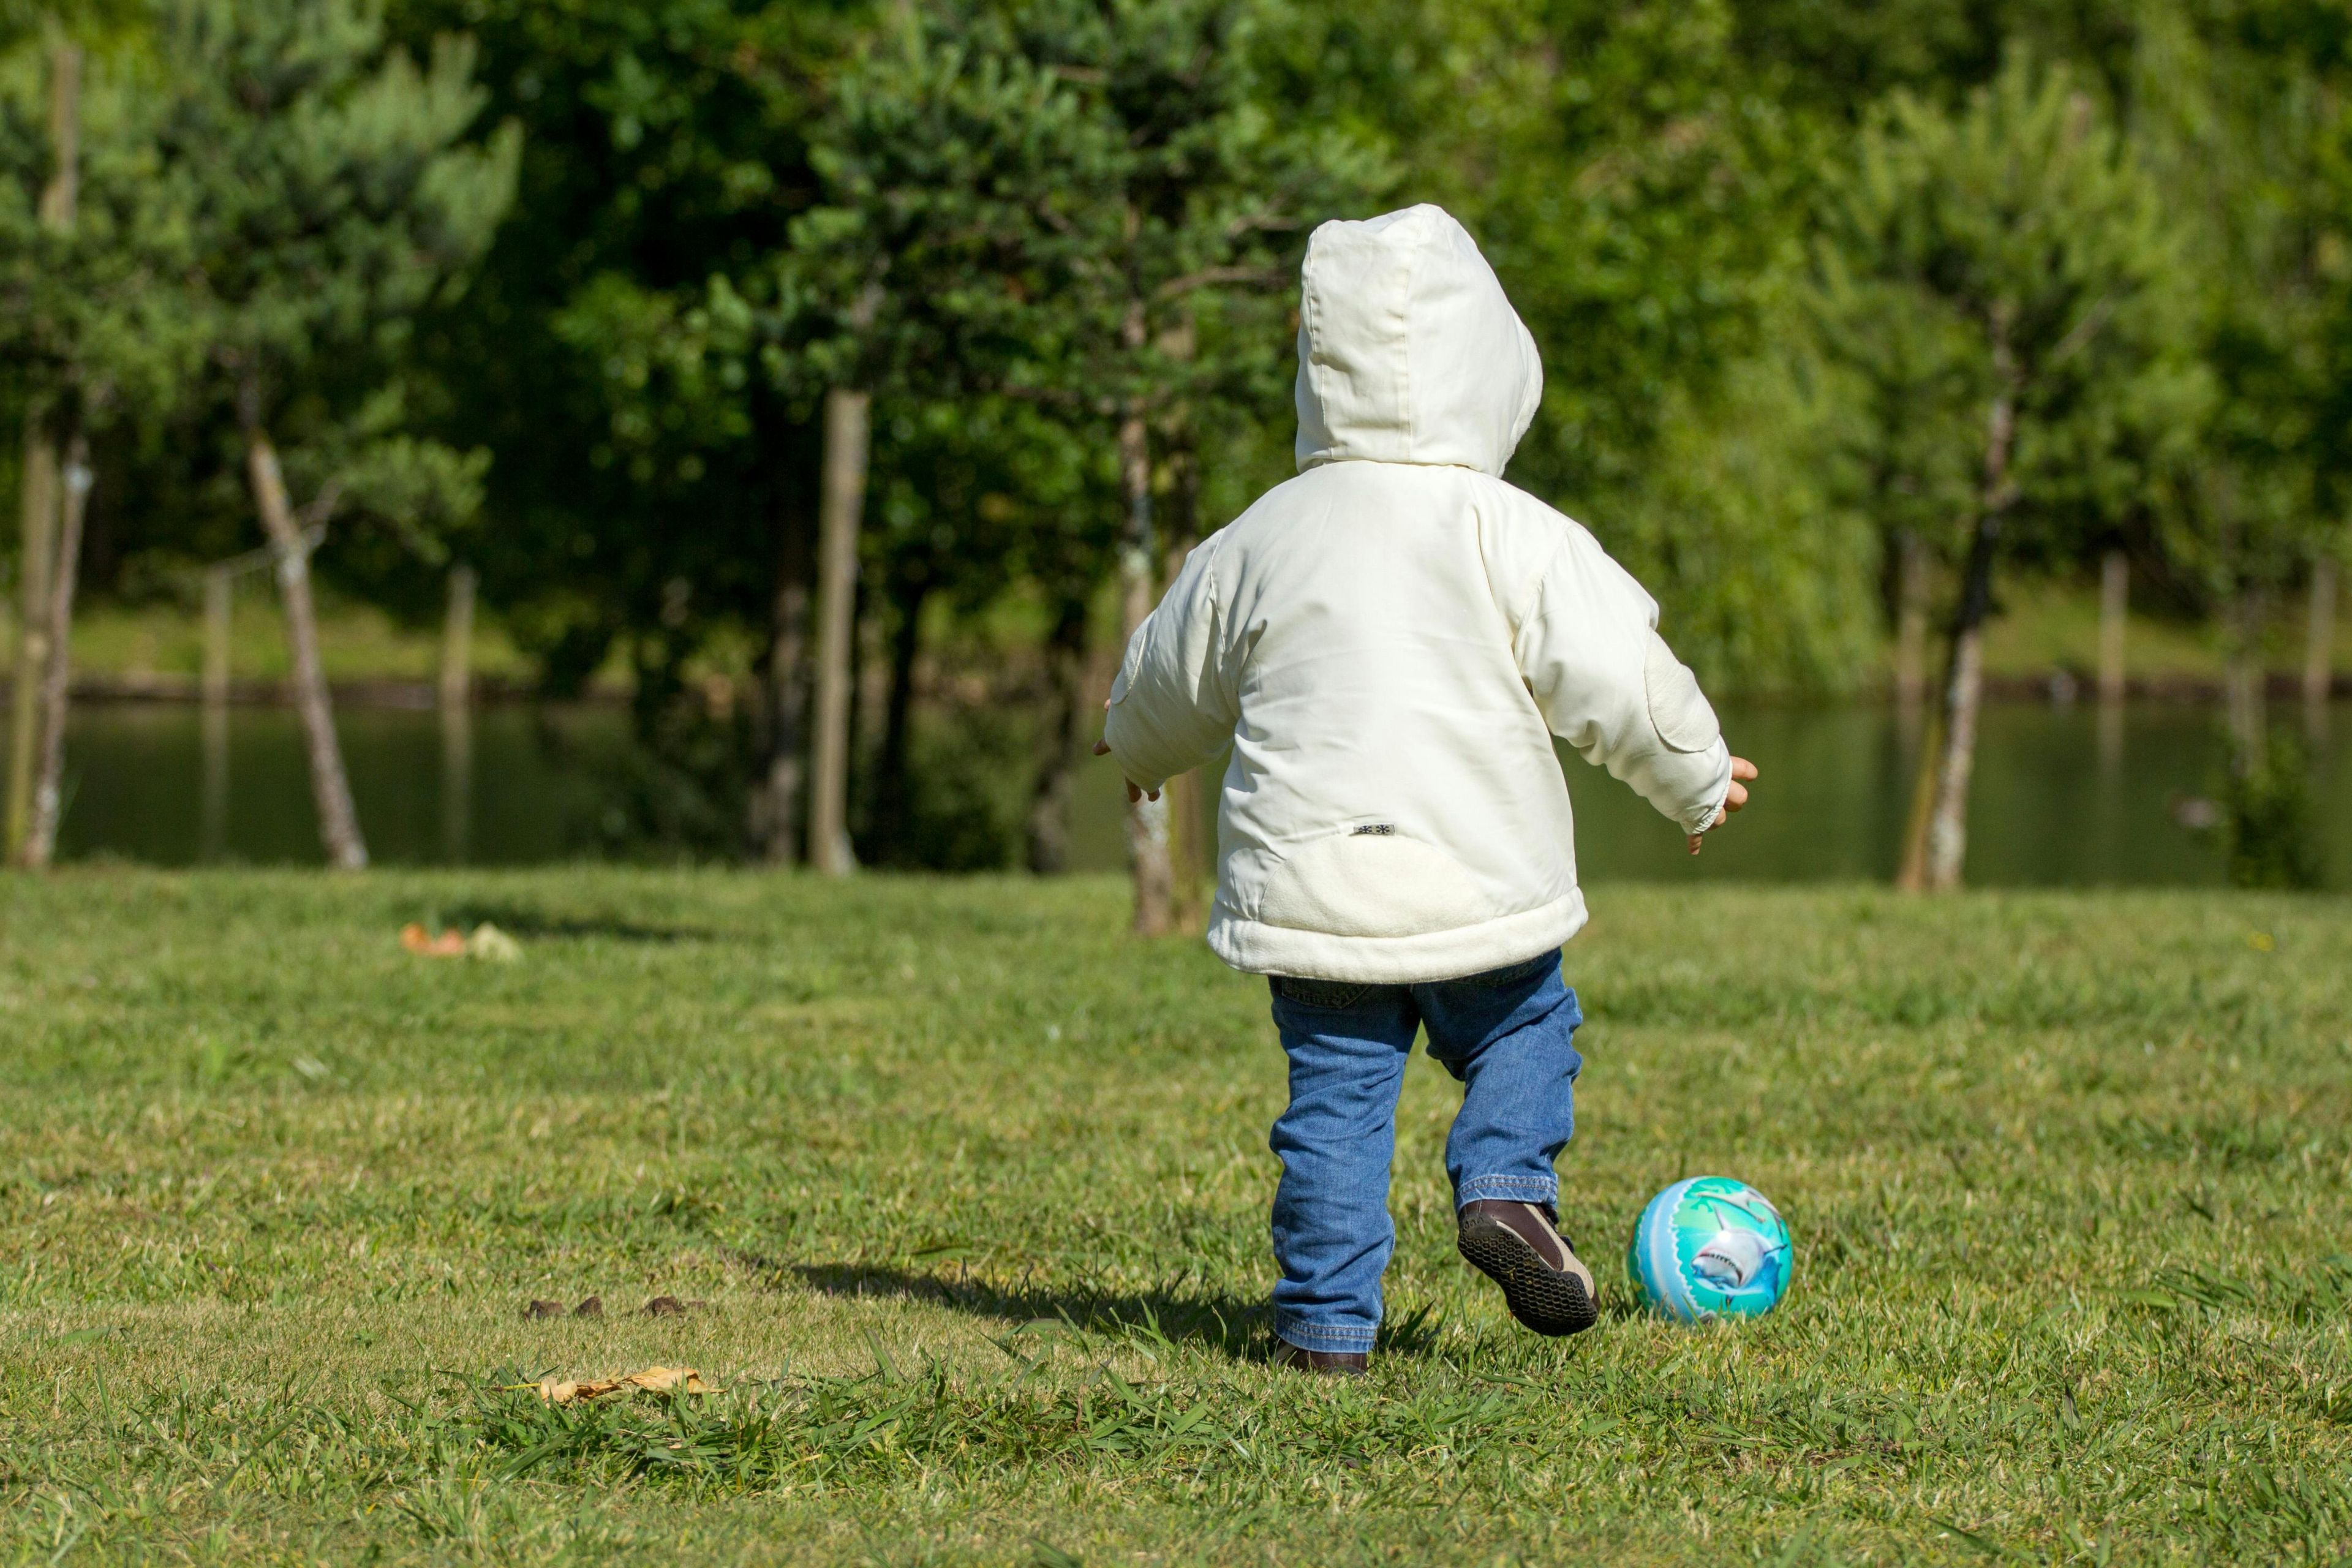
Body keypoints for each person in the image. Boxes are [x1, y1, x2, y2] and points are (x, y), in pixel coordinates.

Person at [1096, 204, 1755, 1376]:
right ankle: (1504, 1187)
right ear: (1490, 368)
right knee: (1527, 1027)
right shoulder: (1511, 531)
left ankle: (1323, 1333)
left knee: (1336, 1110)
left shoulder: (1263, 535)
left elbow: (1171, 669)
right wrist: (1697, 776)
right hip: (1474, 875)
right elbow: (1619, 674)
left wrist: (1137, 748)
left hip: (1316, 889)